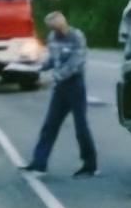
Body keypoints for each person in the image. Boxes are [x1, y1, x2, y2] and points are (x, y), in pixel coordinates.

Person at [20, 11, 98, 177]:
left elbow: (76, 63)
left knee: (81, 127)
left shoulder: (77, 36)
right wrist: (37, 68)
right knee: (50, 126)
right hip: (60, 88)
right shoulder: (52, 37)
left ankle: (90, 165)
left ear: (63, 24)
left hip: (75, 86)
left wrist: (56, 76)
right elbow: (52, 60)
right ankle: (39, 164)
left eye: (57, 27)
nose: (56, 31)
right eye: (53, 28)